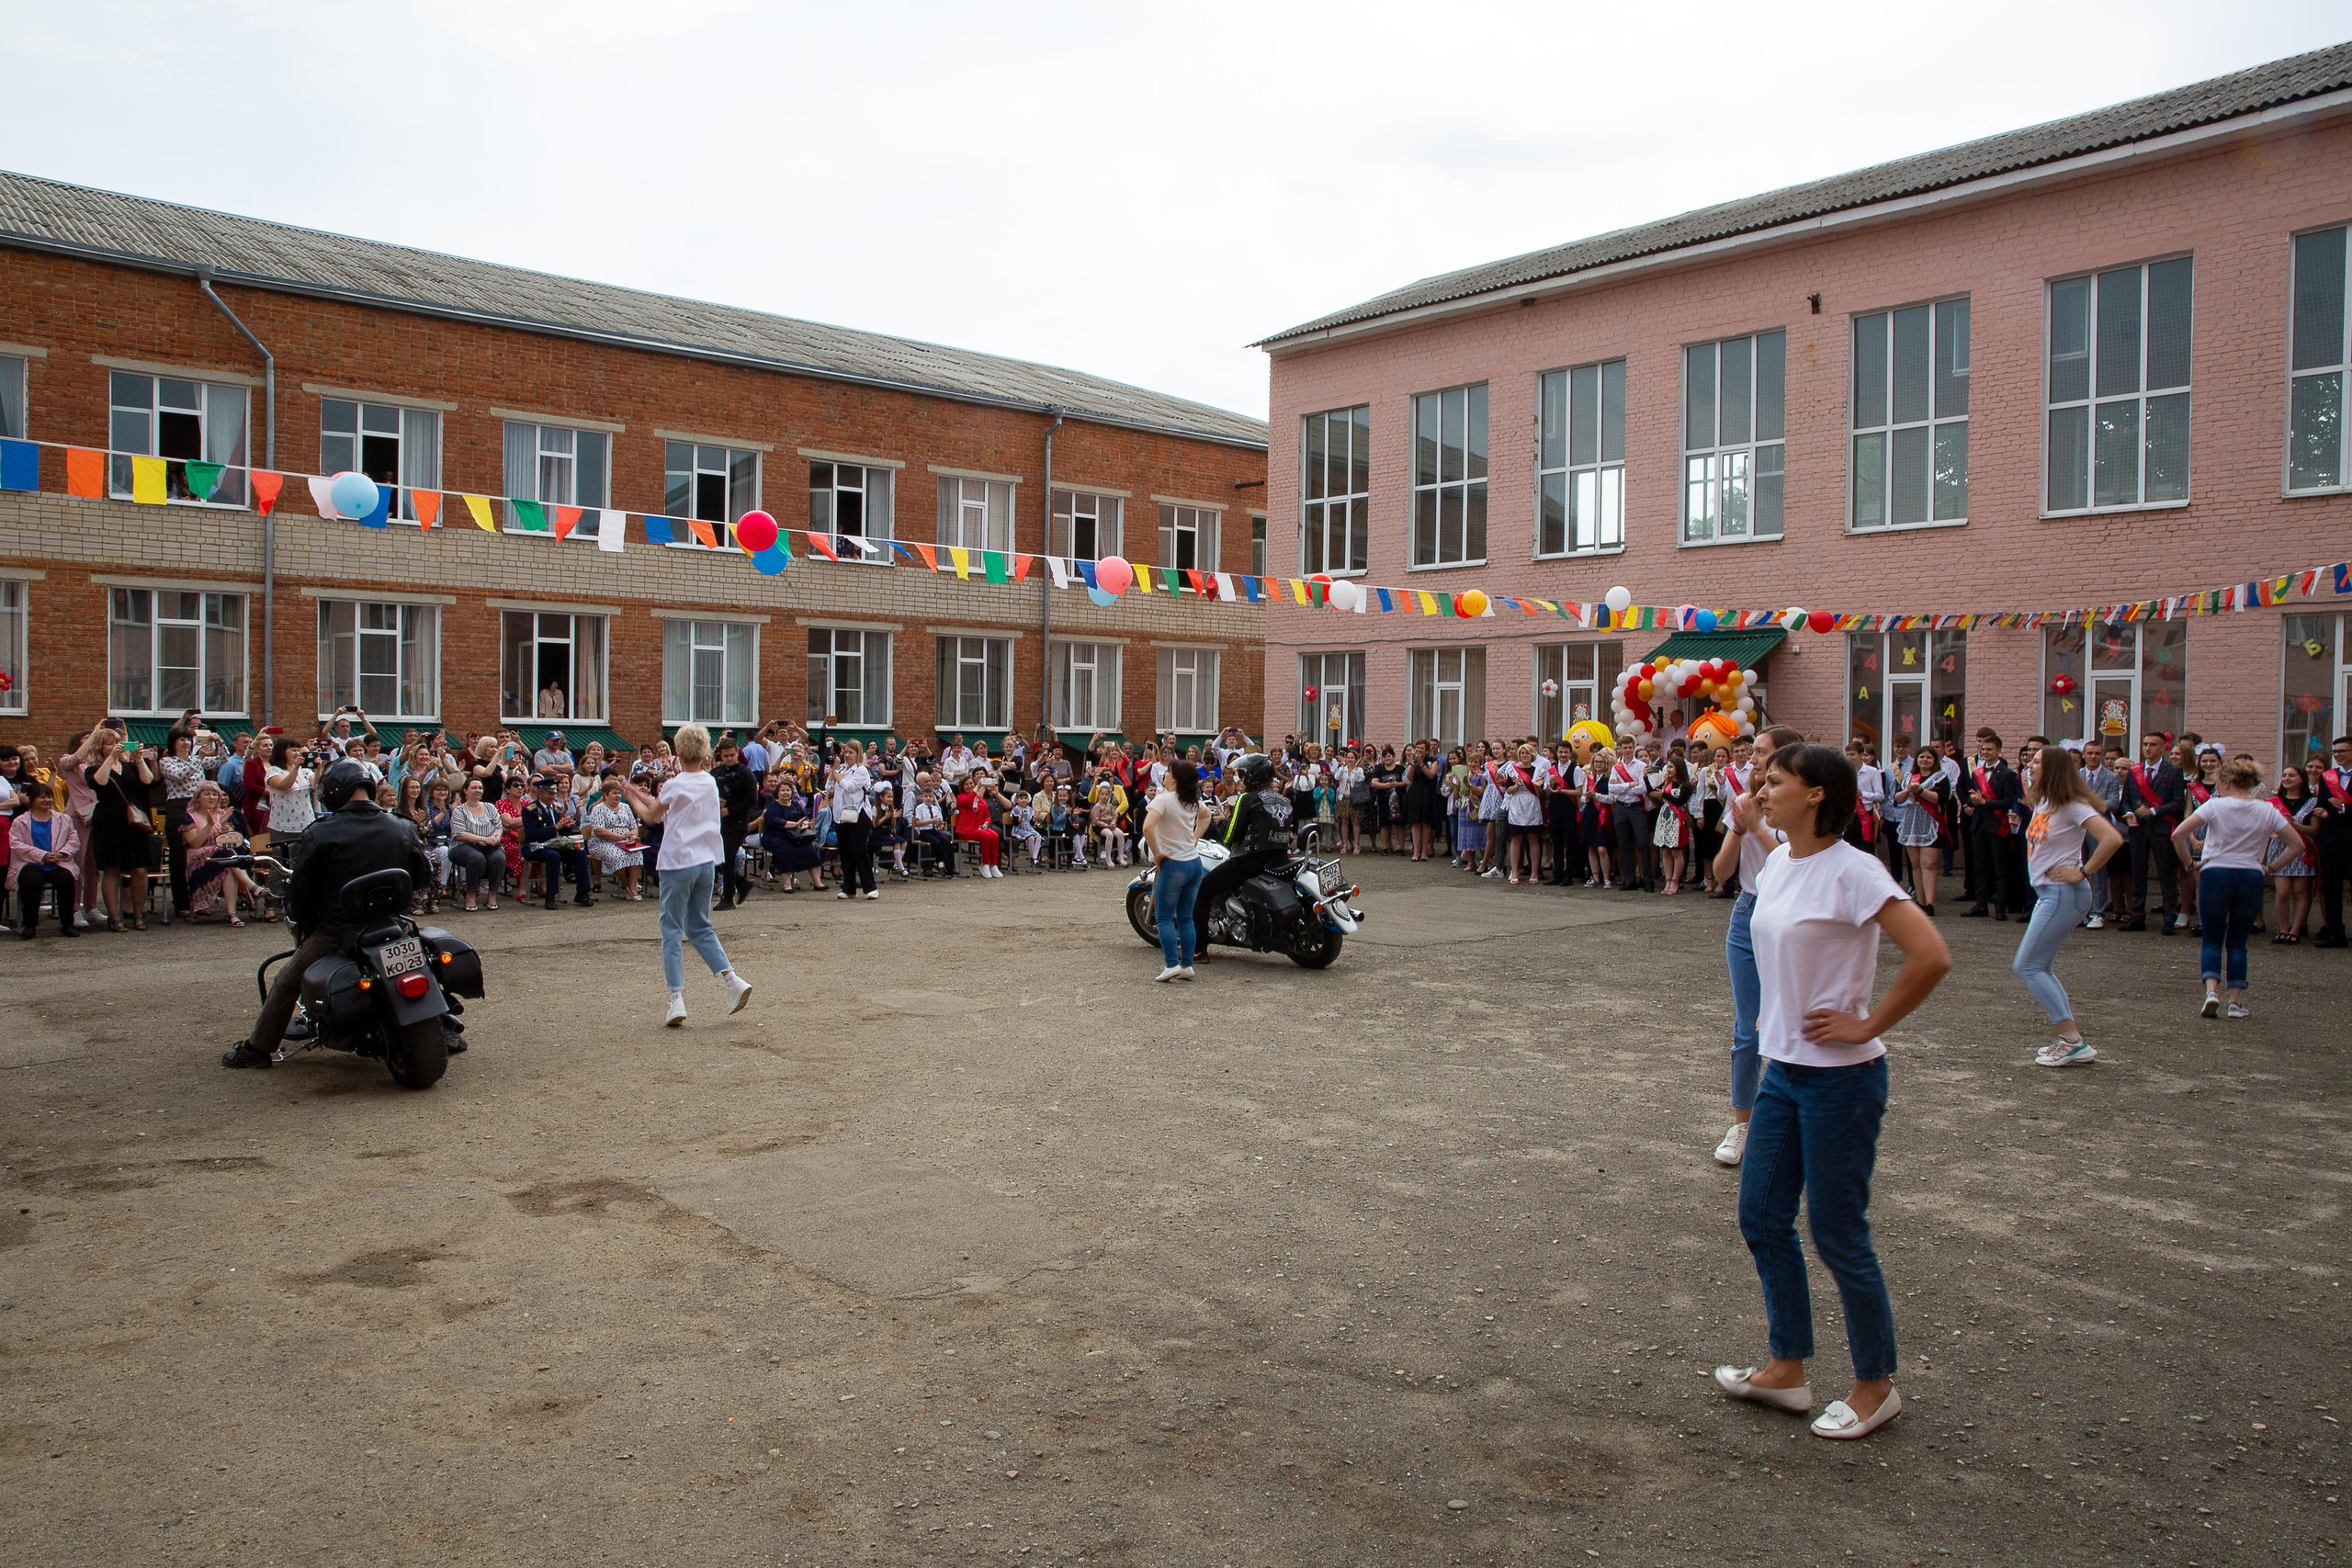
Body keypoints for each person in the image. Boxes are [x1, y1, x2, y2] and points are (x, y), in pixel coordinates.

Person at [1713, 742, 1951, 1442]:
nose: (1763, 787)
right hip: (1782, 1072)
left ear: (1817, 794)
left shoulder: (1856, 870)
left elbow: (1931, 953)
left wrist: (1869, 1021)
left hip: (1841, 1079)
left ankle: (1876, 1385)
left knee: (1838, 1231)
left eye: (1776, 780)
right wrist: (1746, 823)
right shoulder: (1782, 861)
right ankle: (1787, 1368)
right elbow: (1735, 871)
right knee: (1760, 1215)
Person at [224, 761, 437, 1069]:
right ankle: (444, 1026)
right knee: (424, 965)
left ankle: (258, 1048)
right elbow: (421, 877)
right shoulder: (402, 826)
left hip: (338, 931)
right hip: (393, 926)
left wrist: (307, 927)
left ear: (335, 792)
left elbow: (301, 892)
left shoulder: (320, 833)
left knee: (286, 981)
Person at [1709, 725, 1803, 1167]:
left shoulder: (1799, 805)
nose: (1752, 759)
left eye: (1761, 753)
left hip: (1793, 918)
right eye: (1752, 752)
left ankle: (1794, 1118)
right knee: (1748, 1029)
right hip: (1749, 914)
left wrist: (1756, 828)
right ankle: (1742, 1123)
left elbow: (1793, 864)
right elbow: (1721, 871)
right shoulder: (1746, 803)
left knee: (1789, 1023)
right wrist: (1739, 828)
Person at [620, 725, 752, 1027]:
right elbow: (666, 810)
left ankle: (676, 998)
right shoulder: (709, 782)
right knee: (699, 926)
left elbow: (652, 816)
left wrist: (631, 795)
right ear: (706, 752)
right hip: (706, 860)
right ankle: (732, 979)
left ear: (677, 752)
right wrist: (639, 795)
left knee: (671, 927)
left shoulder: (674, 785)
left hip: (678, 860)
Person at [2010, 745, 2125, 1067]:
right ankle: (2070, 1040)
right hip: (2052, 892)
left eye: (2036, 762)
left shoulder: (2073, 805)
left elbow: (2112, 838)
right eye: (2030, 761)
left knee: (2028, 965)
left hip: (2064, 892)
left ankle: (2072, 1041)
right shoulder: (2045, 801)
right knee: (2039, 966)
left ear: (2055, 770)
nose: (2030, 766)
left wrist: (2082, 871)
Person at [2172, 756, 2301, 1020]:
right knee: (2238, 941)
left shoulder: (2214, 806)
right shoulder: (2267, 810)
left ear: (2228, 781)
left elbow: (2178, 835)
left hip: (2215, 871)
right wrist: (2271, 867)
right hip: (2250, 874)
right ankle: (2235, 1002)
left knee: (2212, 937)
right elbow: (2297, 845)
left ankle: (2211, 991)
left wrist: (2189, 864)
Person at [1192, 753, 1295, 964]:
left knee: (1201, 893)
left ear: (1253, 776)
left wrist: (1221, 821)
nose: (1241, 778)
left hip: (1249, 861)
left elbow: (1229, 836)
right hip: (1279, 859)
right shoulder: (1281, 799)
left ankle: (1199, 950)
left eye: (1243, 774)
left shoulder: (1247, 799)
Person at [87, 728, 161, 931]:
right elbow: (99, 783)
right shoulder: (93, 768)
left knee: (140, 869)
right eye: (109, 743)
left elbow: (148, 781)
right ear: (100, 747)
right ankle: (114, 917)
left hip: (134, 821)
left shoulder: (130, 766)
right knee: (112, 868)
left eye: (117, 742)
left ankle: (138, 914)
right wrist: (110, 758)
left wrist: (138, 759)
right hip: (109, 821)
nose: (116, 747)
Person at [1145, 760, 1210, 981]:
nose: (1164, 775)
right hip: (1194, 863)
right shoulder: (1191, 800)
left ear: (1174, 778)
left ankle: (1171, 963)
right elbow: (1207, 815)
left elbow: (1147, 827)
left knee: (1163, 916)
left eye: (1168, 773)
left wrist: (1157, 853)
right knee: (1185, 917)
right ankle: (1187, 965)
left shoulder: (1162, 799)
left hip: (1173, 864)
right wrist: (1195, 837)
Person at [2120, 731, 2187, 933]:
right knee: (2138, 873)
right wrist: (2129, 813)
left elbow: (2178, 802)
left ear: (2162, 748)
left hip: (2161, 827)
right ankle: (2137, 916)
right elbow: (2126, 801)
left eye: (2153, 745)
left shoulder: (2173, 771)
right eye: (2145, 744)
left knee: (2166, 874)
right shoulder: (2135, 771)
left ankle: (2169, 919)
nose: (2147, 748)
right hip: (2138, 829)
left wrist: (2155, 810)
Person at [1959, 730, 2020, 921]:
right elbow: (1971, 793)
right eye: (1983, 749)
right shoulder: (1977, 772)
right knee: (1980, 867)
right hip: (1979, 823)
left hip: (1997, 824)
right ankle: (1980, 904)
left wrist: (1985, 803)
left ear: (1999, 750)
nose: (1985, 752)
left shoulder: (2007, 774)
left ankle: (2000, 907)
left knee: (1999, 868)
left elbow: (2008, 801)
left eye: (1989, 749)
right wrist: (1973, 800)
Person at [180, 782, 260, 925]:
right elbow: (195, 843)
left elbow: (232, 841)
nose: (212, 797)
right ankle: (251, 886)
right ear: (198, 798)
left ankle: (232, 914)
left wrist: (223, 826)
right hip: (199, 860)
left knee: (228, 866)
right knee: (227, 854)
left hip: (223, 856)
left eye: (215, 794)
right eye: (207, 794)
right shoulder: (189, 817)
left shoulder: (222, 814)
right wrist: (210, 826)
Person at [9, 785, 80, 939]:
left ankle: (67, 924)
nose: (47, 800)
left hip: (58, 862)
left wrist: (61, 854)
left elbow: (73, 840)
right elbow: (16, 844)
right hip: (30, 863)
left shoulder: (64, 819)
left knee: (66, 879)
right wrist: (42, 855)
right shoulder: (20, 821)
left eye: (49, 797)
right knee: (31, 880)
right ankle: (30, 925)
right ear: (32, 800)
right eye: (42, 797)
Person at [1890, 745, 1951, 916]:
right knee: (1915, 864)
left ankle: (1930, 902)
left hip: (1930, 821)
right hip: (1911, 821)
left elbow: (1942, 798)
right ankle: (1921, 901)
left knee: (1928, 864)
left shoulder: (1940, 777)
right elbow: (1897, 798)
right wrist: (1909, 790)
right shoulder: (1909, 776)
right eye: (1921, 757)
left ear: (1934, 761)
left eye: (1928, 758)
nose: (1924, 760)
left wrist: (1921, 791)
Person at [521, 773, 594, 909]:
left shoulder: (556, 807)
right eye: (549, 793)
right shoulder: (530, 810)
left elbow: (561, 831)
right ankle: (551, 895)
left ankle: (582, 893)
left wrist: (566, 826)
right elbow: (532, 834)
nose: (553, 797)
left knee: (580, 854)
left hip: (556, 845)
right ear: (540, 794)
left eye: (554, 793)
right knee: (553, 856)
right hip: (536, 846)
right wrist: (555, 827)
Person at [2269, 765, 2321, 943]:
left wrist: (2293, 825)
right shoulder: (2273, 802)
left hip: (2302, 850)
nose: (2287, 778)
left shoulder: (2312, 802)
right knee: (2282, 893)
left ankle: (2295, 931)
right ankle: (2283, 928)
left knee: (2300, 893)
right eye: (2284, 775)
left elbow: (2314, 830)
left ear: (2301, 779)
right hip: (2278, 849)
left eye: (2292, 775)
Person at [2312, 735, 2352, 948]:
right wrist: (2324, 812)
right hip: (2331, 839)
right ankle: (2336, 932)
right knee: (2331, 887)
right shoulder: (2328, 777)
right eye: (2335, 752)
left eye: (2342, 751)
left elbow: (2342, 806)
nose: (2338, 755)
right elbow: (2323, 804)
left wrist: (2345, 809)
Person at [447, 776, 507, 911]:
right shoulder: (459, 810)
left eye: (480, 788)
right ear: (465, 791)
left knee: (499, 858)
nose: (477, 790)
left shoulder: (490, 807)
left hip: (490, 845)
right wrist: (484, 839)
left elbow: (498, 826)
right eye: (473, 787)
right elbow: (460, 834)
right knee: (476, 858)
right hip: (462, 846)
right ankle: (471, 895)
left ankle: (492, 895)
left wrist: (496, 837)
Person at [830, 739, 879, 899]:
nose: (848, 755)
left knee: (858, 851)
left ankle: (870, 887)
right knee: (845, 852)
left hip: (859, 814)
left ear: (858, 754)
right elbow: (829, 787)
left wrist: (836, 773)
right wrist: (833, 771)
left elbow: (849, 787)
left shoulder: (861, 770)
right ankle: (848, 888)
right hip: (841, 816)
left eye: (851, 752)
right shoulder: (841, 769)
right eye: (846, 752)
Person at [584, 775, 645, 900]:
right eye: (614, 793)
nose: (618, 796)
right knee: (617, 856)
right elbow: (599, 831)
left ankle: (632, 887)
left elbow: (634, 826)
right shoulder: (598, 809)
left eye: (619, 793)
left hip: (625, 841)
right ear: (605, 795)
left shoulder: (626, 807)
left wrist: (633, 836)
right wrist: (620, 836)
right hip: (602, 842)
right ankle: (627, 884)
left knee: (638, 854)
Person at [759, 779, 825, 892]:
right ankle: (787, 884)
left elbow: (805, 817)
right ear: (778, 793)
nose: (785, 793)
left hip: (794, 836)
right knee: (786, 850)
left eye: (788, 790)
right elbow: (776, 821)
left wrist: (804, 824)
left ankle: (817, 883)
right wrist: (794, 824)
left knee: (810, 849)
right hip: (775, 837)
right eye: (783, 790)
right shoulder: (773, 806)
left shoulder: (795, 804)